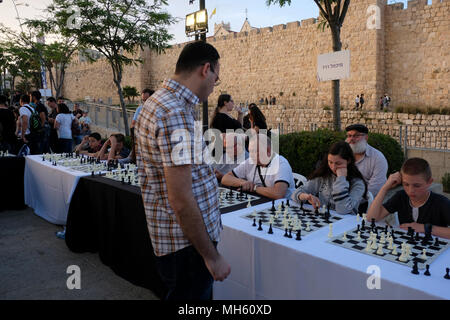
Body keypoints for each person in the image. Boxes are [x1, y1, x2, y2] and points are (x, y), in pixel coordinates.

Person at [135, 41, 230, 300]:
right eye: (216, 79)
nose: (214, 87)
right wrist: (211, 256)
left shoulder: (161, 103)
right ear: (206, 69)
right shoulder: (173, 112)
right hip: (187, 247)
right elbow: (181, 198)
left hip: (182, 243)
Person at [367, 158, 450, 239]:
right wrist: (385, 188)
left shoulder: (442, 203)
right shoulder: (401, 196)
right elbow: (371, 218)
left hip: (436, 250)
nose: (411, 190)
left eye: (417, 186)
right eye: (406, 184)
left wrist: (425, 228)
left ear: (429, 182)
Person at [291, 141, 367, 215]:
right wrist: (306, 197)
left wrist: (341, 179)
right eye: (330, 162)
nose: (333, 167)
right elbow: (295, 194)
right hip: (324, 219)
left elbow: (343, 210)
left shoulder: (358, 183)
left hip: (346, 223)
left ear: (348, 161)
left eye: (338, 163)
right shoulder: (324, 176)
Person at [221, 133, 295, 200]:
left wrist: (254, 188)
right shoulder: (251, 161)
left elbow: (278, 194)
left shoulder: (281, 163)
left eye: (255, 151)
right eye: (250, 151)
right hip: (260, 202)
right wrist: (242, 183)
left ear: (268, 151)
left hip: (285, 207)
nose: (251, 155)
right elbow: (225, 179)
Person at [345, 124, 388, 198]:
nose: (351, 139)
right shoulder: (342, 155)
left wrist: (353, 200)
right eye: (349, 136)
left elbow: (375, 189)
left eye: (356, 136)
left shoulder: (378, 158)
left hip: (367, 202)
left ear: (366, 138)